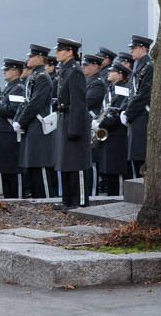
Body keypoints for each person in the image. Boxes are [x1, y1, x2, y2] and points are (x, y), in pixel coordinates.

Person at [53, 37, 92, 210]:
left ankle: (80, 201)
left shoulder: (75, 71)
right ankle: (67, 200)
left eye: (60, 50)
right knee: (66, 162)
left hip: (73, 119)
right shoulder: (65, 70)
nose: (56, 53)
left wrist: (75, 128)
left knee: (77, 163)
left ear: (70, 52)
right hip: (64, 117)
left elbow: (78, 101)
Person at [15, 44, 57, 198]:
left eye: (31, 57)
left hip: (38, 126)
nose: (28, 59)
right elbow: (26, 101)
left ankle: (46, 200)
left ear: (39, 58)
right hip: (31, 125)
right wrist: (19, 120)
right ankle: (37, 199)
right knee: (32, 167)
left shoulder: (43, 78)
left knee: (40, 167)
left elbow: (35, 103)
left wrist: (22, 121)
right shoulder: (34, 76)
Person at [0, 58, 27, 198]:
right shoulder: (9, 87)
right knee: (5, 173)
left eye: (7, 69)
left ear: (15, 71)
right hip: (4, 135)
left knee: (14, 174)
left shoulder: (18, 88)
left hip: (11, 136)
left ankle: (17, 200)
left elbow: (14, 110)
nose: (4, 72)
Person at [95, 60, 131, 197]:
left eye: (112, 71)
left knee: (115, 172)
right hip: (107, 135)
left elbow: (116, 114)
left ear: (120, 75)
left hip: (117, 136)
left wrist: (101, 124)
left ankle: (118, 199)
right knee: (107, 172)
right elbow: (104, 109)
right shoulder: (111, 89)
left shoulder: (122, 90)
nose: (108, 73)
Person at [123, 35, 153, 178]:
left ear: (143, 48)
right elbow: (132, 93)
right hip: (137, 117)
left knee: (142, 159)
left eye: (134, 48)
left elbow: (144, 94)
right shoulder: (140, 66)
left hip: (142, 116)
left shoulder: (149, 66)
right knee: (136, 159)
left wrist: (128, 113)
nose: (131, 51)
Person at [82, 54, 106, 195]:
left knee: (92, 162)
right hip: (86, 124)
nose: (84, 67)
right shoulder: (88, 81)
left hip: (92, 126)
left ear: (96, 66)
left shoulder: (97, 83)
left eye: (87, 65)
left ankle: (92, 193)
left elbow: (86, 101)